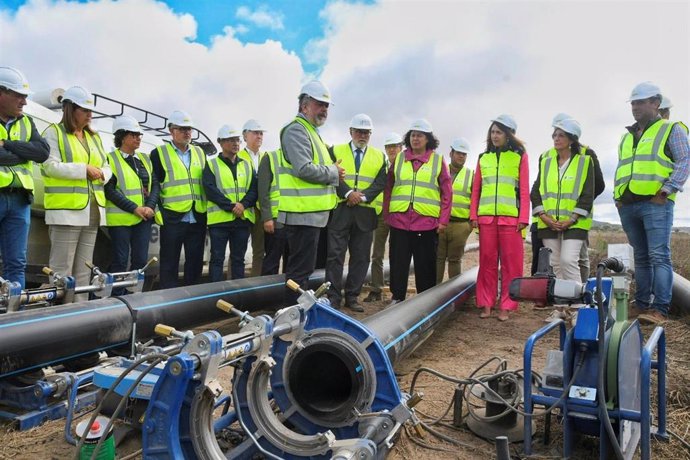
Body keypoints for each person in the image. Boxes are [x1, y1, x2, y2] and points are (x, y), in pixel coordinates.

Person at [614, 82, 689, 324]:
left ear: (655, 103)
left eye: (641, 102)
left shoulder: (671, 129)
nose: (635, 107)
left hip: (656, 203)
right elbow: (622, 168)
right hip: (629, 205)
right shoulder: (627, 136)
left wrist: (666, 191)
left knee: (659, 256)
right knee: (642, 257)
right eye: (633, 102)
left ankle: (660, 309)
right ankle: (643, 303)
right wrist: (618, 198)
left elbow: (684, 161)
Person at [41, 86, 111, 301]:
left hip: (92, 210)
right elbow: (49, 166)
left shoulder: (94, 137)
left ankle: (79, 313)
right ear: (70, 109)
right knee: (61, 270)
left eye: (91, 111)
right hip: (66, 211)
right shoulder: (53, 132)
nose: (90, 115)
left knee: (84, 269)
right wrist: (83, 169)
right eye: (85, 110)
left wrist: (102, 174)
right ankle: (57, 316)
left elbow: (107, 165)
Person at [278, 80, 344, 304]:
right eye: (319, 104)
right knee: (298, 273)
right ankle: (290, 319)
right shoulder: (296, 130)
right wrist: (334, 172)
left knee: (304, 271)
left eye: (326, 105)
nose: (324, 109)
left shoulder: (311, 132)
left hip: (312, 216)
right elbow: (304, 168)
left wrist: (332, 172)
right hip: (301, 215)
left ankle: (298, 316)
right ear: (304, 106)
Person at [531, 117, 595, 324]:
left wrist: (573, 217)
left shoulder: (585, 160)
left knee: (569, 260)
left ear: (571, 139)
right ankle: (560, 308)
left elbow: (588, 192)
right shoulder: (546, 158)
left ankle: (577, 308)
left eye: (561, 136)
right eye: (554, 135)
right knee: (555, 264)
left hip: (575, 223)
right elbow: (536, 190)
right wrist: (543, 216)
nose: (556, 139)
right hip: (548, 222)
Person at [383, 119, 452, 304]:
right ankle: (397, 298)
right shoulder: (398, 159)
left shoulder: (437, 161)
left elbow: (447, 192)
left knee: (425, 265)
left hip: (426, 223)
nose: (415, 139)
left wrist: (443, 220)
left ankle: (424, 301)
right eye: (413, 135)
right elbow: (389, 187)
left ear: (428, 139)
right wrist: (387, 214)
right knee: (398, 263)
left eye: (420, 135)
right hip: (399, 220)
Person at [470, 114, 530, 322]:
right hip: (486, 219)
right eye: (493, 132)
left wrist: (523, 217)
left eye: (499, 132)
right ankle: (486, 303)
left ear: (509, 135)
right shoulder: (482, 158)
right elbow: (476, 189)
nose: (495, 136)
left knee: (510, 263)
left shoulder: (520, 156)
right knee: (486, 262)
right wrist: (473, 215)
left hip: (511, 220)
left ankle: (507, 305)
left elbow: (523, 190)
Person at [326, 114, 387, 311]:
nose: (363, 135)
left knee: (361, 257)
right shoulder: (335, 150)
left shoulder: (380, 156)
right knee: (335, 255)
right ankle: (333, 297)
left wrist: (361, 197)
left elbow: (380, 182)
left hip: (365, 212)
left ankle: (352, 297)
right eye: (359, 131)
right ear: (350, 132)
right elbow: (330, 175)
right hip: (341, 209)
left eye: (366, 132)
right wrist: (348, 193)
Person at [0, 66, 49, 290]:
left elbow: (41, 152)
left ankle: (14, 316)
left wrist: (7, 145)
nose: (24, 102)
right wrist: (22, 153)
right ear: (2, 92)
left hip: (20, 201)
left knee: (16, 263)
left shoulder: (27, 122)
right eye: (19, 96)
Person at [151, 110, 207, 289]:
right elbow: (155, 186)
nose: (187, 132)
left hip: (197, 216)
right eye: (182, 129)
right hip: (173, 217)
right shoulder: (159, 153)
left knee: (195, 262)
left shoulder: (199, 152)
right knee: (169, 263)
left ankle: (191, 300)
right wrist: (160, 213)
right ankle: (169, 301)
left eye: (189, 129)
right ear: (171, 131)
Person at [104, 116, 159, 294]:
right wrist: (134, 208)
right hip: (121, 219)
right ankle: (116, 297)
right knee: (120, 260)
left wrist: (150, 206)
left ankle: (133, 296)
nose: (138, 138)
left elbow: (155, 185)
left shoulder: (145, 159)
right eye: (134, 134)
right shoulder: (110, 159)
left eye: (139, 135)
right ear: (122, 136)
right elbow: (110, 190)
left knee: (140, 260)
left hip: (143, 219)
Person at [204, 124, 257, 281]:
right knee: (217, 260)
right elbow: (211, 190)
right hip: (220, 221)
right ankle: (216, 295)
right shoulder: (212, 164)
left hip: (242, 220)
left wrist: (243, 205)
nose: (235, 143)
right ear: (220, 142)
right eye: (230, 140)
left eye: (237, 140)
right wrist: (232, 206)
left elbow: (254, 189)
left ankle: (237, 296)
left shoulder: (247, 165)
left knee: (238, 260)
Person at [363, 132, 403, 302]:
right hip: (380, 214)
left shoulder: (405, 167)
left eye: (395, 146)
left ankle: (396, 290)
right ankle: (376, 289)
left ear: (401, 147)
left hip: (397, 215)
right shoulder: (381, 165)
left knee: (396, 253)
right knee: (377, 253)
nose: (392, 149)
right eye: (389, 146)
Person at [436, 137, 474, 284]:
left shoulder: (471, 175)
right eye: (458, 153)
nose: (461, 156)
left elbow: (475, 200)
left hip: (460, 225)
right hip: (440, 224)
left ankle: (452, 294)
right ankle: (433, 293)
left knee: (455, 259)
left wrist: (468, 226)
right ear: (451, 153)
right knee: (437, 259)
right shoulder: (440, 172)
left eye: (464, 154)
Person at [238, 119, 266, 277]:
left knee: (259, 251)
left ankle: (255, 287)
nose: (259, 136)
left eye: (261, 133)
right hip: (243, 210)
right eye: (255, 133)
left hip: (260, 210)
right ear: (245, 135)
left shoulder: (266, 157)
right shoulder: (238, 156)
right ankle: (235, 287)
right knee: (238, 252)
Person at [258, 148, 288, 275]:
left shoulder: (301, 157)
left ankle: (289, 294)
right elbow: (263, 191)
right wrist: (267, 218)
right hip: (276, 220)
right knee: (272, 260)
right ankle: (268, 294)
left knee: (292, 262)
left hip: (296, 218)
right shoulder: (270, 158)